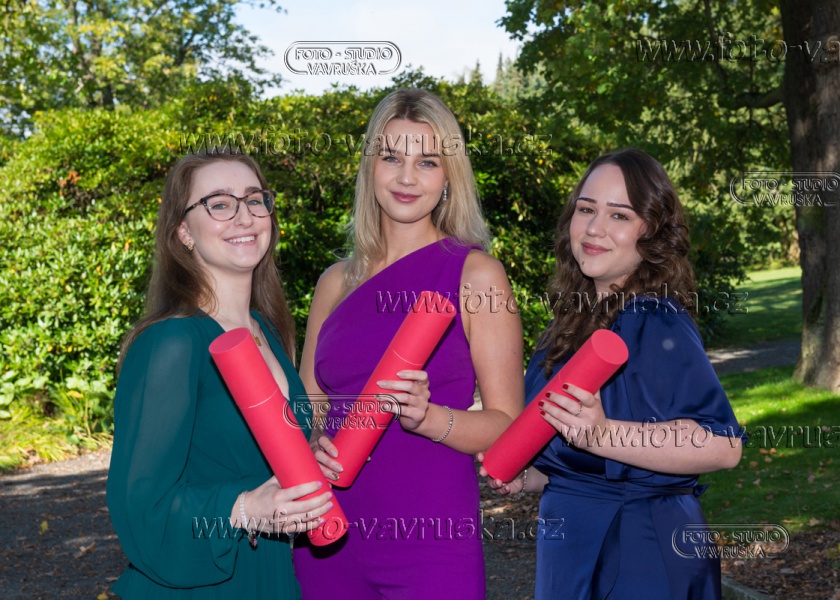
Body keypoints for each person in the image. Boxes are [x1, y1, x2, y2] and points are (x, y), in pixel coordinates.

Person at [479, 148, 745, 599]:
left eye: (619, 215)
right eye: (586, 209)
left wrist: (602, 434)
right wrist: (532, 476)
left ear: (652, 232)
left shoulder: (654, 318)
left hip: (639, 549)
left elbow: (722, 444)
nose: (594, 228)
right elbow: (580, 460)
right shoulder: (566, 327)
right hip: (571, 547)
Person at [292, 89, 524, 599]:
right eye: (391, 157)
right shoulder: (334, 282)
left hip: (432, 538)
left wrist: (429, 417)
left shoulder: (476, 275)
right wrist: (310, 442)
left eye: (427, 162)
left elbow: (507, 424)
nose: (406, 177)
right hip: (328, 532)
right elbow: (308, 407)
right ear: (369, 167)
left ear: (449, 177)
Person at [106, 149, 332, 598]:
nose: (244, 216)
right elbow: (140, 506)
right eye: (220, 204)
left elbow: (246, 455)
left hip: (268, 576)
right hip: (198, 586)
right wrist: (243, 508)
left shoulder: (268, 331)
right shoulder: (172, 342)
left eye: (254, 199)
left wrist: (310, 456)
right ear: (183, 232)